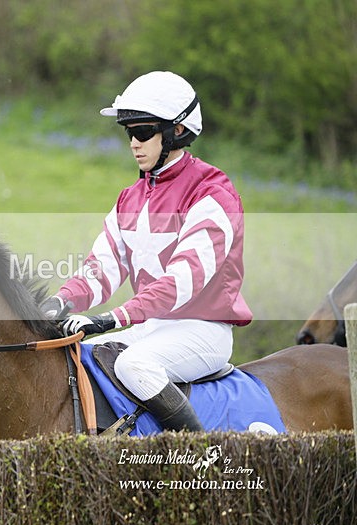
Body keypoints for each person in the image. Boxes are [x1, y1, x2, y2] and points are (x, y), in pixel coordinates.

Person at [42, 71, 252, 431]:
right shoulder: (130, 198)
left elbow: (183, 280)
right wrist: (60, 302)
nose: (133, 144)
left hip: (203, 330)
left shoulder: (212, 192)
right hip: (154, 327)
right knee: (84, 355)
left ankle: (201, 455)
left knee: (132, 365)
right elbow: (101, 269)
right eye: (129, 134)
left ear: (177, 132)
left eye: (143, 133)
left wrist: (114, 317)